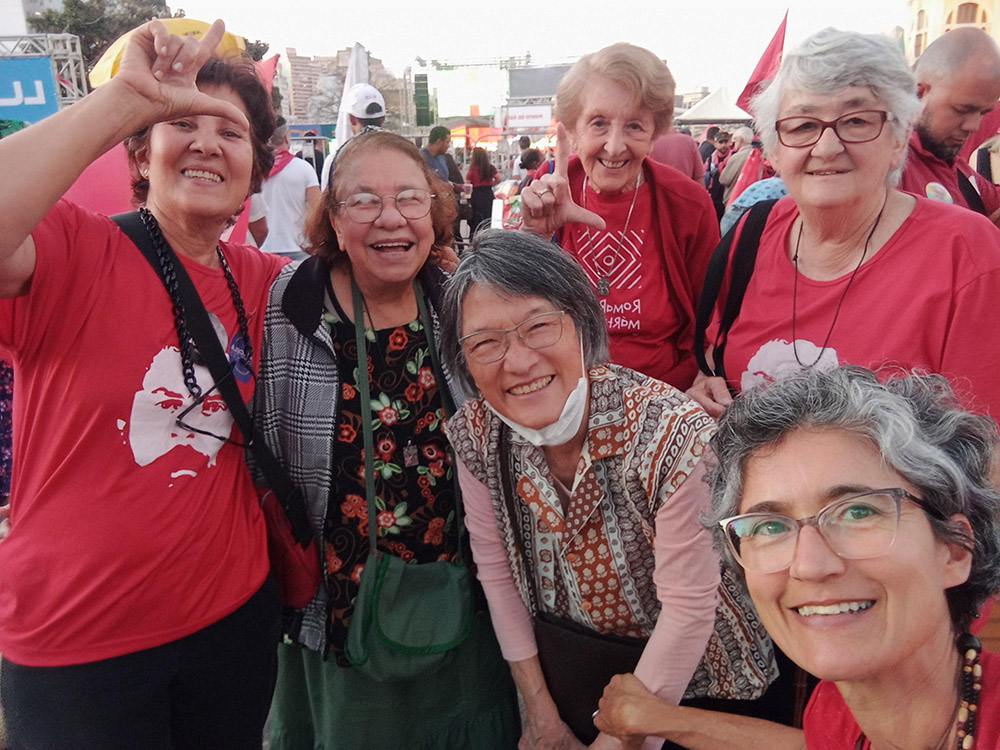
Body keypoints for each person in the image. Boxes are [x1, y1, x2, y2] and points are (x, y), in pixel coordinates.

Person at [0, 20, 286, 749]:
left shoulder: (264, 283)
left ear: (257, 168)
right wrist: (123, 99)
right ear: (140, 151)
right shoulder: (74, 248)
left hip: (233, 619)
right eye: (176, 122)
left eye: (229, 131)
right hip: (79, 642)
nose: (204, 143)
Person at [441, 230, 776, 750]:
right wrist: (540, 714)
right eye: (486, 342)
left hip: (703, 693)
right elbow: (497, 571)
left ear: (581, 323)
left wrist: (619, 744)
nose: (519, 361)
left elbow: (689, 609)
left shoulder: (674, 434)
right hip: (577, 680)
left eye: (538, 326)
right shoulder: (479, 434)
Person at [255, 130, 520, 750]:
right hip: (337, 602)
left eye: (410, 198)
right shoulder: (285, 308)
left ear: (434, 211)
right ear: (334, 221)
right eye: (365, 201)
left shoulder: (461, 305)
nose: (392, 218)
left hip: (460, 590)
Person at [596, 365, 1000, 750]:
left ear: (954, 548)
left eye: (858, 511)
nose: (809, 565)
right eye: (769, 526)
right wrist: (655, 717)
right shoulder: (835, 711)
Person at [688, 28, 1000, 423]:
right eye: (802, 125)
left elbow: (986, 458)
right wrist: (707, 384)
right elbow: (716, 360)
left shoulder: (969, 256)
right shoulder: (751, 234)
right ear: (774, 151)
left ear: (899, 139)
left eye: (856, 121)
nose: (827, 147)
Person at [520, 43, 719, 392]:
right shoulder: (551, 190)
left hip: (665, 400)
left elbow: (714, 317)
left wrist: (706, 376)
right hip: (566, 398)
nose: (614, 146)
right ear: (573, 128)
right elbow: (516, 311)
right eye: (598, 123)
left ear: (655, 133)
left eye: (634, 126)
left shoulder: (687, 204)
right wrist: (533, 237)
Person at [901, 27, 1000, 224]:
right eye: (962, 109)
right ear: (920, 93)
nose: (974, 126)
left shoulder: (952, 163)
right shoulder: (885, 169)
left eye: (983, 113)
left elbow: (993, 204)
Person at [260, 117, 321, 260]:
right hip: (298, 246)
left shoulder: (254, 170)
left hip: (262, 249)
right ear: (286, 139)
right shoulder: (304, 168)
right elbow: (317, 209)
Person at [321, 83, 386, 191]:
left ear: (351, 119)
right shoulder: (404, 156)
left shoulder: (336, 160)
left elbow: (325, 202)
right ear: (383, 118)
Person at [465, 146, 500, 235]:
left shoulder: (472, 169)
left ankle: (475, 235)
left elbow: (467, 183)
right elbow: (498, 179)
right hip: (488, 193)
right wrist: (491, 184)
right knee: (488, 216)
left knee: (476, 217)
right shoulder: (490, 167)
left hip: (477, 195)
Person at [719, 126, 755, 203]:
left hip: (734, 198)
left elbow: (724, 179)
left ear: (740, 139)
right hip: (751, 198)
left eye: (735, 139)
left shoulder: (737, 157)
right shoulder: (757, 155)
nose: (733, 143)